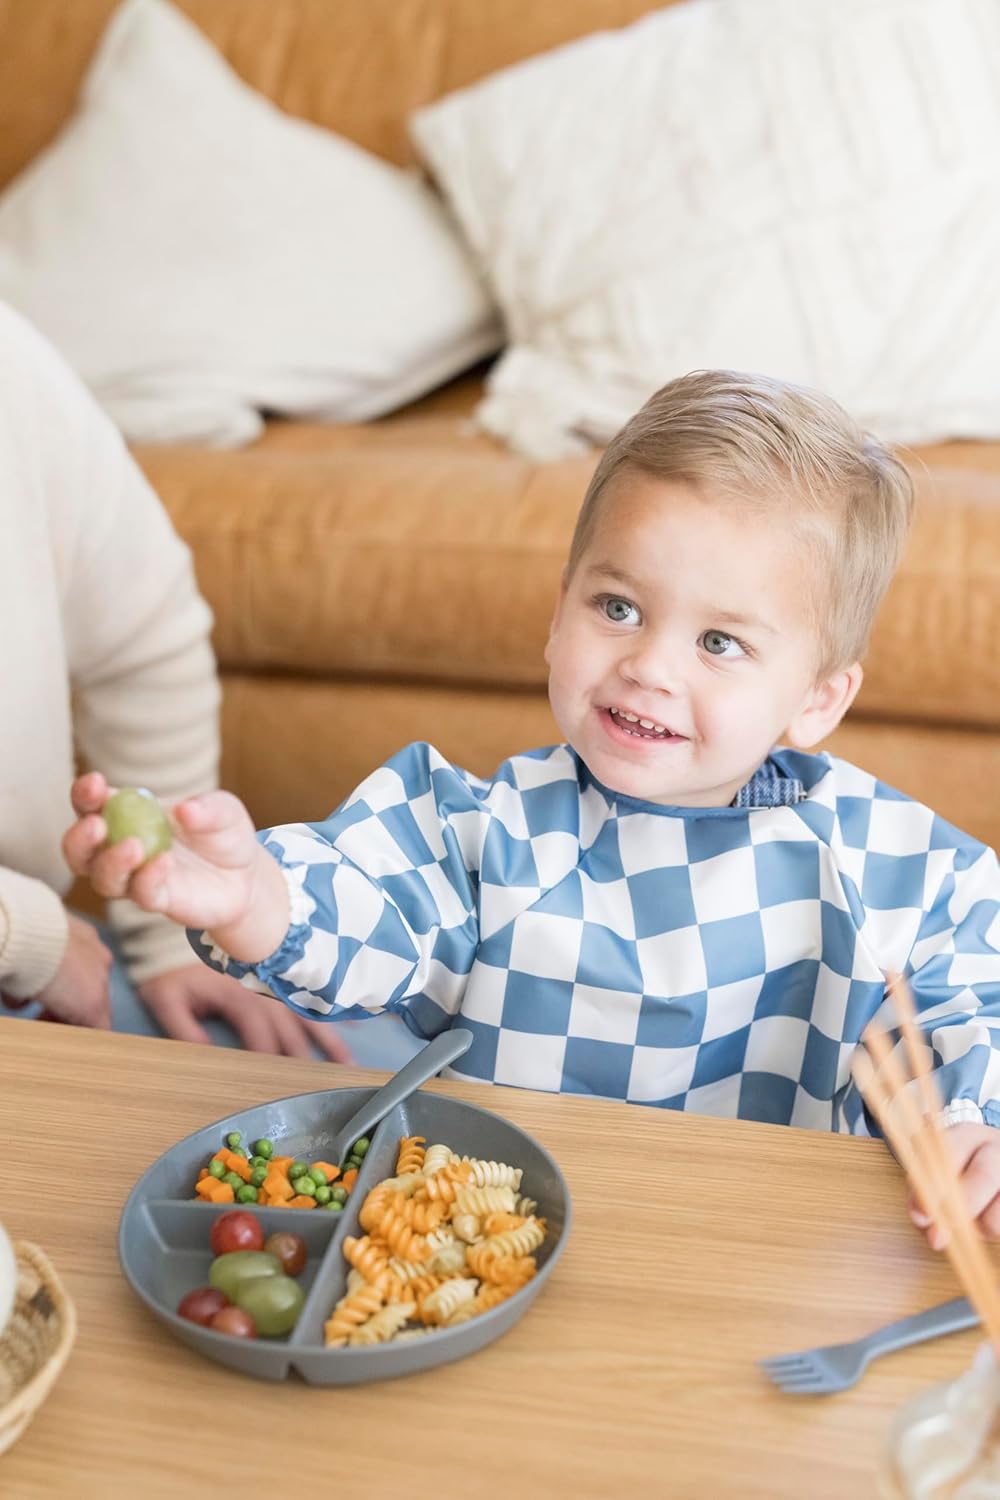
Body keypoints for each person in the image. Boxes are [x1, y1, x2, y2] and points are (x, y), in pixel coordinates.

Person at [64, 369, 1000, 1239]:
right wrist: (253, 897)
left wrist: (973, 1117)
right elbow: (365, 900)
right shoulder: (483, 829)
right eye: (619, 608)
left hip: (754, 1251)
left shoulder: (878, 860)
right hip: (500, 1246)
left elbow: (973, 983)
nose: (649, 666)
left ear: (818, 700)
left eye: (719, 642)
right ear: (559, 615)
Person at [0, 298, 416, 1063]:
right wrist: (23, 932)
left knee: (375, 1064)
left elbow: (145, 642)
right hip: (29, 943)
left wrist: (169, 929)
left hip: (32, 958)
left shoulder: (13, 370)